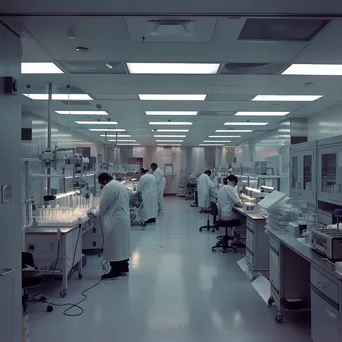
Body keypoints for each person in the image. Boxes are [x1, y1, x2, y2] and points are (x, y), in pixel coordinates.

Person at [97, 173, 131, 280]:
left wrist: (93, 212)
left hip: (115, 220)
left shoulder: (109, 188)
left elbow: (103, 206)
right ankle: (124, 269)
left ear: (105, 181)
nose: (101, 186)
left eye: (101, 184)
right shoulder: (119, 185)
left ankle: (115, 272)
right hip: (123, 218)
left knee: (114, 245)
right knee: (122, 244)